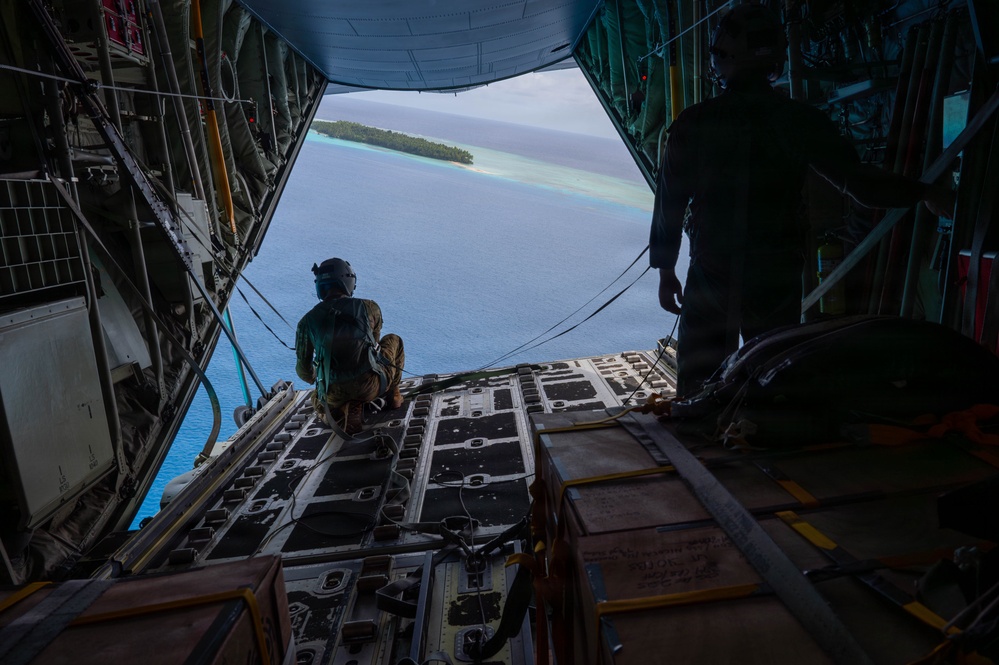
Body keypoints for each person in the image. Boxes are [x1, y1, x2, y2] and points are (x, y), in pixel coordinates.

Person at [651, 3, 954, 398]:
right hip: (775, 272)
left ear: (723, 57)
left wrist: (666, 272)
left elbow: (670, 205)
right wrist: (925, 192)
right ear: (774, 57)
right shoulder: (799, 122)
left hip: (715, 271)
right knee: (773, 379)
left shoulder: (694, 123)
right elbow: (861, 184)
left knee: (699, 388)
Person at [295, 258, 406, 434]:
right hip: (371, 385)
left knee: (317, 399)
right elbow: (375, 347)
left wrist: (316, 371)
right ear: (348, 282)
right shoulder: (369, 308)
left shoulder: (306, 322)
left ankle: (338, 414)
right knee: (394, 340)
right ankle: (393, 396)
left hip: (334, 393)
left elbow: (305, 373)